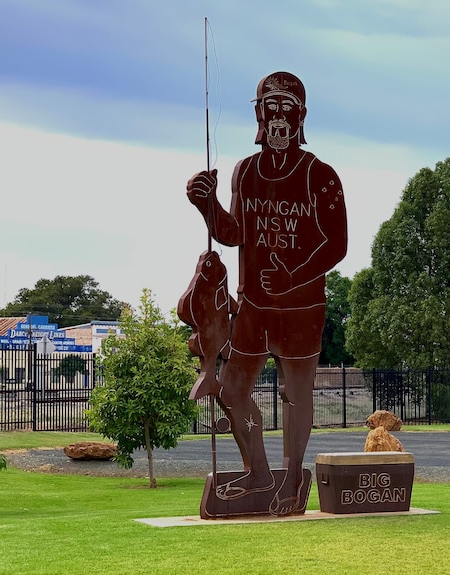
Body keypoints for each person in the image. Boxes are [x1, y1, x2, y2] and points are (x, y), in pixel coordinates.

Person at [186, 71, 347, 515]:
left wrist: (293, 276)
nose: (279, 119)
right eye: (270, 108)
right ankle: (259, 471)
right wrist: (207, 205)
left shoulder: (321, 176)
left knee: (296, 395)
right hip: (254, 305)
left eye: (288, 109)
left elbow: (337, 244)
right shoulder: (247, 171)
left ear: (301, 116)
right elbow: (234, 233)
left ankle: (293, 480)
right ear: (259, 113)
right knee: (233, 390)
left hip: (302, 308)